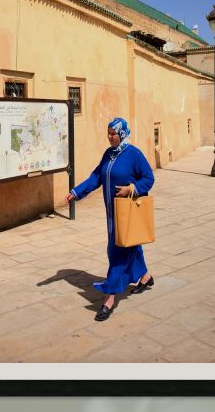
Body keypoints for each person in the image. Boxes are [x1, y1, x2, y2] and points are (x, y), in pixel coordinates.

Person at [65, 117, 154, 321]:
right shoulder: (109, 154)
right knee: (129, 245)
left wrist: (131, 188)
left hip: (127, 213)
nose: (110, 136)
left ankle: (109, 298)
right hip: (112, 214)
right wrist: (77, 192)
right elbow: (96, 176)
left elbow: (148, 178)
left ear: (122, 134)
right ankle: (145, 277)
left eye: (113, 133)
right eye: (109, 133)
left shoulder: (134, 154)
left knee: (117, 252)